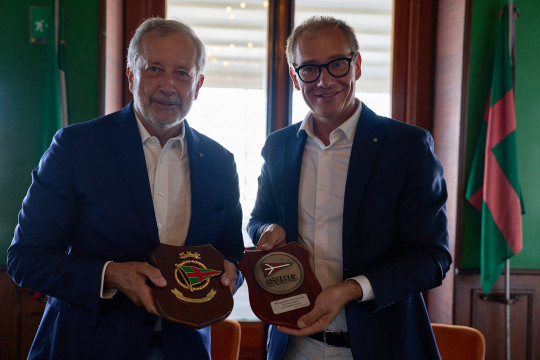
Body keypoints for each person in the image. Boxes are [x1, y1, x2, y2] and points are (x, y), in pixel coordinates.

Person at [7, 18, 245, 360]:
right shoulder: (76, 147)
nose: (168, 85)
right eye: (154, 69)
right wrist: (111, 275)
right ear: (131, 74)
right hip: (87, 346)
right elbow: (24, 259)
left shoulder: (221, 162)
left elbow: (230, 254)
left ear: (198, 84)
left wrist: (230, 275)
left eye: (182, 73)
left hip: (185, 348)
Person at [247, 16, 452, 360]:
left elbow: (432, 258)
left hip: (381, 345)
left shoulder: (406, 146)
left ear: (356, 65)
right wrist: (268, 229)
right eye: (309, 69)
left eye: (337, 64)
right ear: (295, 78)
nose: (324, 80)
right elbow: (259, 219)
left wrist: (352, 289)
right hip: (293, 346)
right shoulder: (279, 146)